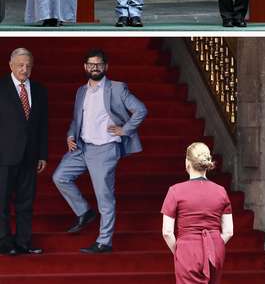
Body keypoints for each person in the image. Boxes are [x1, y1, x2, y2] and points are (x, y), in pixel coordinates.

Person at [52, 49, 147, 253]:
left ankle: (104, 241)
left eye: (99, 64)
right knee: (60, 176)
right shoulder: (81, 91)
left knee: (104, 197)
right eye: (91, 64)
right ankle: (84, 212)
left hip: (105, 148)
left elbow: (141, 109)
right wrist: (70, 136)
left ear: (106, 67)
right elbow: (77, 120)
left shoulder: (117, 88)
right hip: (81, 147)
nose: (95, 67)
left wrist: (125, 129)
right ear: (85, 67)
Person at [161, 142, 233, 283]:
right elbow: (229, 231)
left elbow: (167, 232)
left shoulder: (175, 191)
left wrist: (179, 251)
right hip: (215, 249)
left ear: (187, 163)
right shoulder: (221, 191)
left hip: (187, 248)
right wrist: (214, 245)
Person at [0, 48, 48, 255]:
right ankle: (4, 243)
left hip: (30, 156)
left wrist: (42, 154)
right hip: (4, 155)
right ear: (10, 65)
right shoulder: (0, 87)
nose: (24, 69)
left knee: (26, 202)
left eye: (28, 65)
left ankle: (23, 242)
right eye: (20, 65)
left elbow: (43, 125)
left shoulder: (39, 90)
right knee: (1, 202)